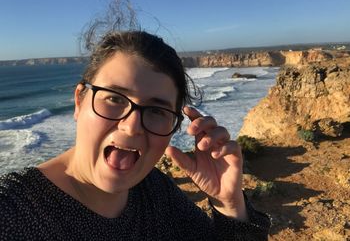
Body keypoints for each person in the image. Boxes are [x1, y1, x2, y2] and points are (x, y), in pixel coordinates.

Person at [0, 30, 270, 240]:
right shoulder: (11, 212)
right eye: (115, 99)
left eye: (156, 110)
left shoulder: (155, 192)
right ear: (79, 101)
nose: (131, 127)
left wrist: (229, 204)